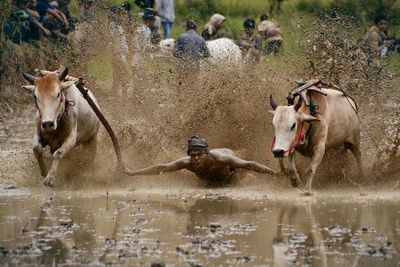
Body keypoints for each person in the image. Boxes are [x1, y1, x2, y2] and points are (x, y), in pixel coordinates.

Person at [122, 136, 277, 183]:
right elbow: (162, 168)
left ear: (207, 154)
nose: (195, 159)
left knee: (237, 172)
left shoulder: (221, 159)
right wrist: (133, 173)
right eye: (193, 155)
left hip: (229, 169)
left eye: (199, 155)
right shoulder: (187, 163)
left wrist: (275, 174)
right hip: (211, 177)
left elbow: (249, 164)